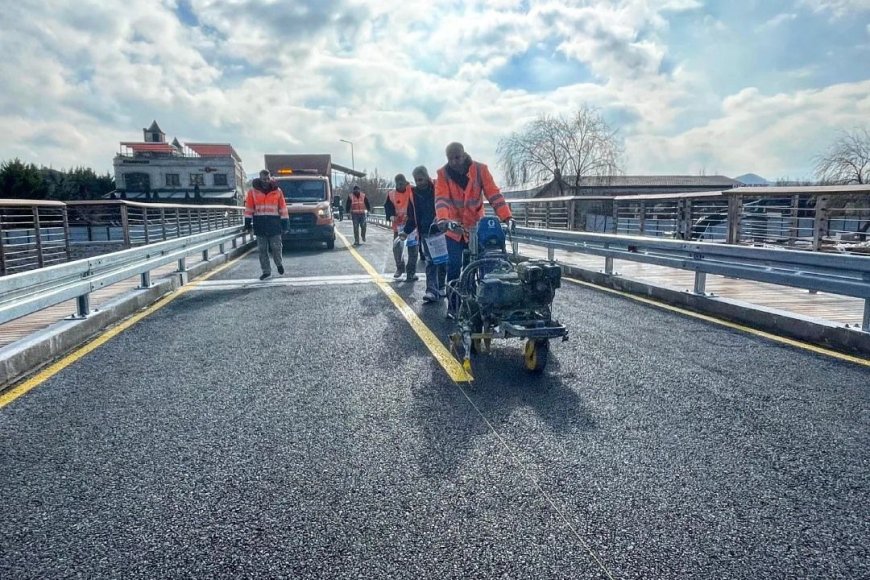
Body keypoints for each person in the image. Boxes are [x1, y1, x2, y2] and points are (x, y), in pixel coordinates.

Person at [434, 142, 513, 316]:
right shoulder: (443, 174)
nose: (454, 162)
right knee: (454, 265)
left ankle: (482, 303)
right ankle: (453, 306)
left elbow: (494, 194)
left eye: (457, 157)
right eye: (450, 159)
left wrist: (506, 217)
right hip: (453, 229)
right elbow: (441, 199)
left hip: (476, 228)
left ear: (464, 154)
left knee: (479, 264)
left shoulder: (480, 170)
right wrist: (443, 219)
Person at [403, 165, 445, 300]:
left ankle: (441, 286)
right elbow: (412, 215)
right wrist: (406, 231)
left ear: (427, 177)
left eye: (421, 179)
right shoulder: (413, 194)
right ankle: (431, 290)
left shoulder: (438, 188)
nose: (419, 183)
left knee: (443, 261)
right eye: (416, 180)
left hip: (441, 230)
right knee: (430, 261)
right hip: (425, 232)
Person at [244, 169, 289, 280]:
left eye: (268, 178)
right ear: (260, 178)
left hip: (274, 223)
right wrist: (247, 223)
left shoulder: (277, 191)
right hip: (260, 224)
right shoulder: (252, 192)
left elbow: (283, 208)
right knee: (262, 249)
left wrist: (285, 224)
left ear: (270, 178)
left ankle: (279, 264)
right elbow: (249, 208)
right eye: (264, 179)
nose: (266, 181)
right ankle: (266, 271)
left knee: (276, 247)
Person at [384, 174, 414, 279]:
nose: (401, 185)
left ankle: (411, 272)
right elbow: (388, 206)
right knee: (397, 248)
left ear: (406, 182)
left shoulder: (413, 191)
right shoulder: (391, 194)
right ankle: (400, 268)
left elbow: (417, 205)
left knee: (413, 249)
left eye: (403, 183)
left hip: (412, 226)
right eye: (399, 184)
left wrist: (410, 215)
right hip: (398, 225)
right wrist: (391, 216)